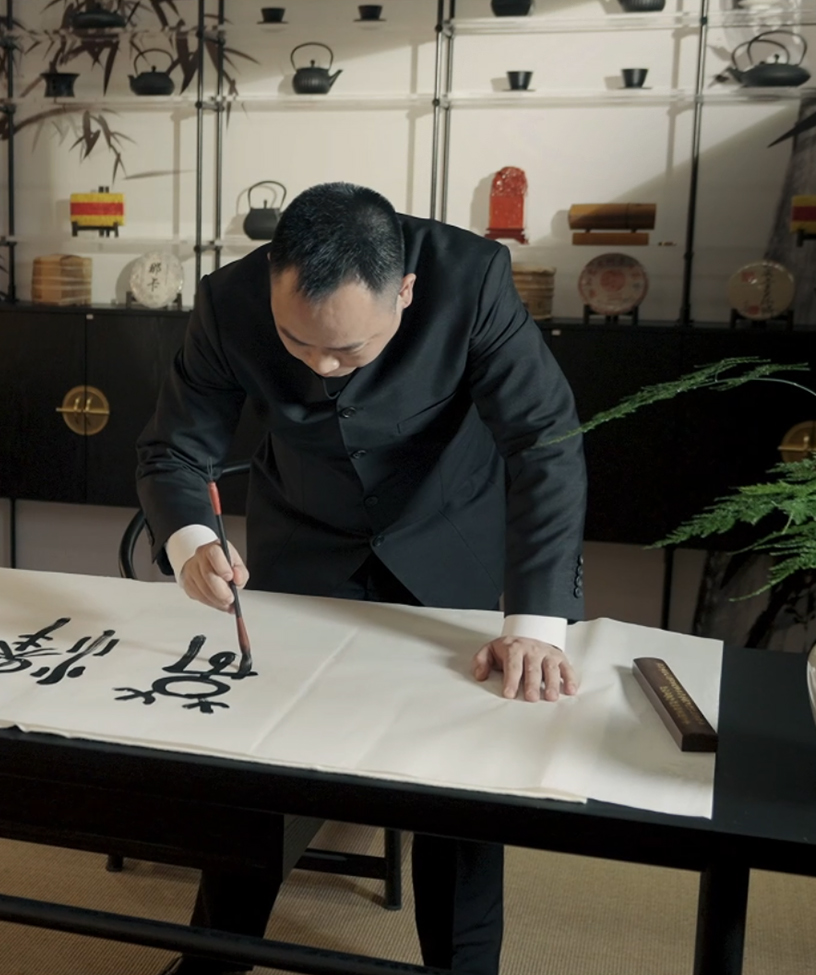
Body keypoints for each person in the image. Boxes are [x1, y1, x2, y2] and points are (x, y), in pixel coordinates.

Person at [136, 181, 587, 975]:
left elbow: (544, 441)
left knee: (459, 786)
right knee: (265, 767)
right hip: (304, 542)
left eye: (348, 350)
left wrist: (535, 623)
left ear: (404, 291)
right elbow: (174, 448)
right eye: (298, 341)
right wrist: (192, 539)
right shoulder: (228, 300)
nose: (322, 367)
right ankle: (214, 959)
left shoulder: (471, 278)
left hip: (446, 539)